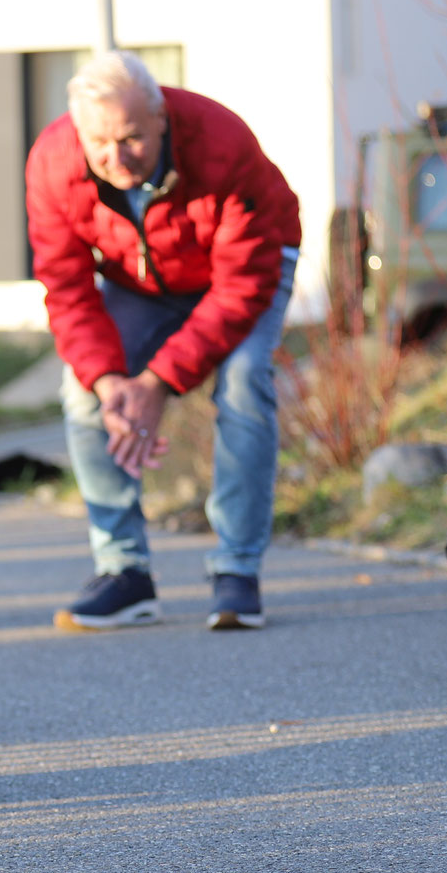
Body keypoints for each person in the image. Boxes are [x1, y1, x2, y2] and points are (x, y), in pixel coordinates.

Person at [25, 50, 302, 631]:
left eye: (130, 139)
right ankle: (123, 570)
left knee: (245, 378)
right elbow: (67, 288)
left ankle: (236, 570)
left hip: (245, 269)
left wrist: (157, 383)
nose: (115, 157)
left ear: (161, 119)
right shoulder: (53, 163)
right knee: (81, 393)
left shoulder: (222, 142)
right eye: (99, 143)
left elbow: (238, 290)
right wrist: (112, 385)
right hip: (141, 281)